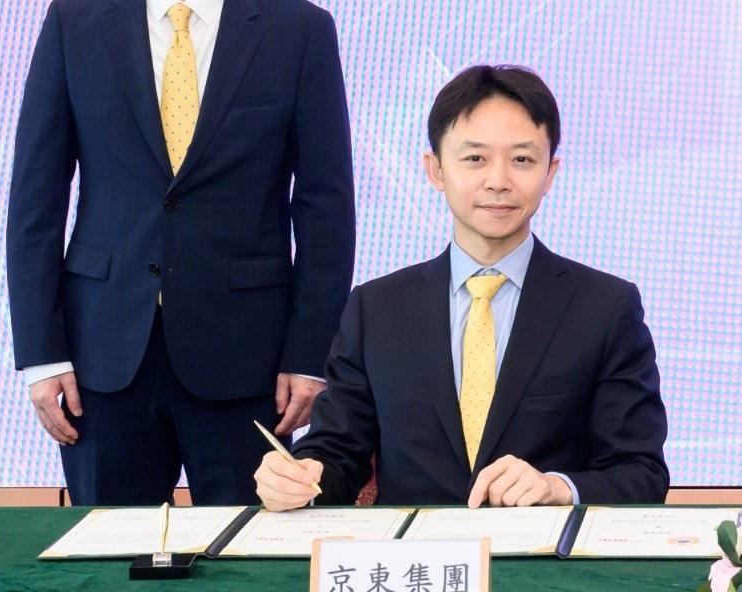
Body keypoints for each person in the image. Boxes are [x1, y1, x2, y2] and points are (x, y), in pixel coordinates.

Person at [6, 0, 353, 504]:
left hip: (250, 361)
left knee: (251, 569)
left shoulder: (298, 32)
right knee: (107, 569)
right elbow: (35, 204)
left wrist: (309, 354)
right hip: (104, 356)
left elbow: (324, 208)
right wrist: (41, 355)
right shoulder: (75, 25)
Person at [256, 65, 668, 510]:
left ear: (550, 174)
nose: (498, 180)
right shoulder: (376, 309)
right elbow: (336, 453)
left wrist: (556, 487)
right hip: (415, 566)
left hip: (545, 566)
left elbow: (641, 473)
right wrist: (303, 475)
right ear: (435, 170)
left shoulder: (605, 308)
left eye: (522, 160)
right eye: (474, 158)